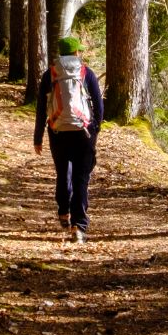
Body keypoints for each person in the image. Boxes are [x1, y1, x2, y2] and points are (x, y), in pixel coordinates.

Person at [33, 33, 103, 244]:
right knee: (81, 178)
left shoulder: (50, 75)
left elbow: (40, 109)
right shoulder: (86, 73)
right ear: (75, 53)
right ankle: (79, 227)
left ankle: (63, 212)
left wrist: (38, 137)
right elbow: (98, 106)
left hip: (57, 132)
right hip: (84, 132)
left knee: (63, 173)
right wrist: (95, 130)